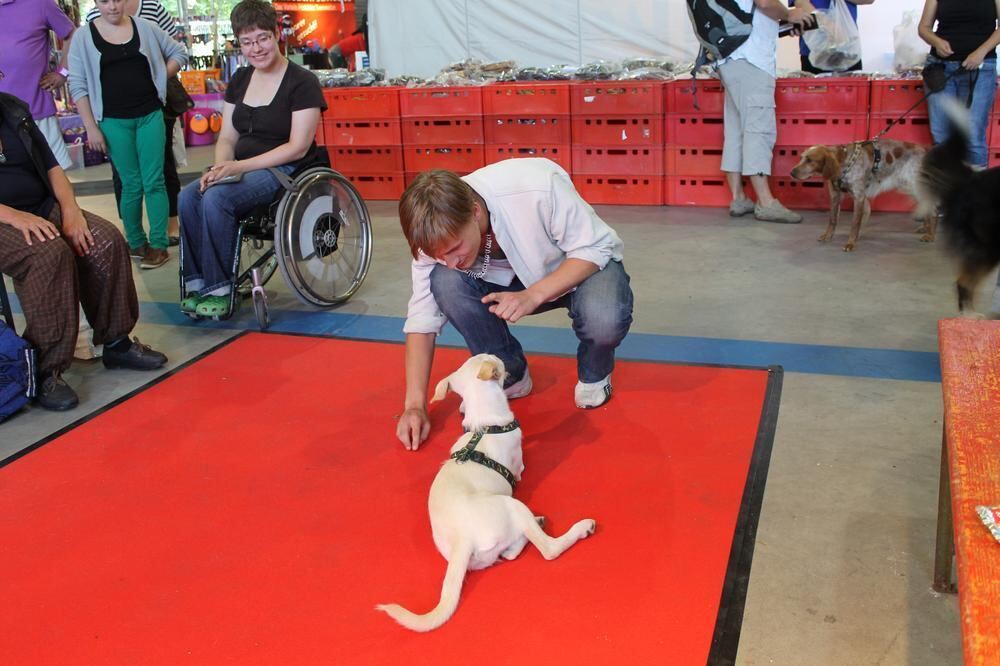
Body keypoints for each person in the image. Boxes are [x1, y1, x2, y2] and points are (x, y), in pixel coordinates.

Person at [394, 159, 634, 451]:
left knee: (604, 317)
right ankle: (510, 373)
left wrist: (534, 295)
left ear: (475, 211)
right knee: (444, 281)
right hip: (509, 284)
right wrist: (415, 405)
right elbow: (422, 317)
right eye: (439, 255)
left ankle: (596, 372)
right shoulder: (434, 239)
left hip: (580, 267)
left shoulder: (535, 187)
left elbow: (595, 247)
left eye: (456, 248)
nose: (450, 261)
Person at [0, 92, 168, 411]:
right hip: (5, 218)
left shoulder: (12, 109)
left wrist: (70, 210)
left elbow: (51, 168)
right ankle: (45, 369)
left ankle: (116, 342)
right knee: (48, 254)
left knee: (105, 240)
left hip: (39, 206)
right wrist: (13, 215)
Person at [177, 0, 326, 318]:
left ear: (276, 35)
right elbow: (228, 137)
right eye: (247, 42)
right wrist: (219, 167)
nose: (256, 48)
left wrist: (237, 167)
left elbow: (298, 146)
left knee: (217, 199)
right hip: (240, 167)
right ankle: (197, 282)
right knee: (190, 196)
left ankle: (220, 288)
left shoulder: (302, 82)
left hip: (285, 170)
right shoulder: (241, 79)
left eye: (262, 38)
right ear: (239, 44)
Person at [67, 0, 187, 270]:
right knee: (131, 182)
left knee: (154, 180)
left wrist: (158, 76)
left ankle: (158, 244)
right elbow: (78, 85)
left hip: (149, 115)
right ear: (96, 2)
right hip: (112, 120)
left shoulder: (145, 27)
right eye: (104, 1)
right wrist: (90, 127)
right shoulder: (84, 37)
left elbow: (179, 54)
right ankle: (135, 241)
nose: (112, 6)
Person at [721, 0, 816, 224]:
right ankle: (765, 202)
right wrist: (789, 14)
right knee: (758, 130)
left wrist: (781, 21)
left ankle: (738, 197)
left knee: (736, 129)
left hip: (729, 56)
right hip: (752, 58)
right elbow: (764, 2)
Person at [919, 0, 1000, 169]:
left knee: (973, 135)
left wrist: (981, 52)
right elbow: (924, 28)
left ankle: (978, 192)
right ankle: (945, 191)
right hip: (940, 68)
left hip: (981, 68)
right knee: (941, 135)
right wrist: (936, 41)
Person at [0, 0, 76, 171]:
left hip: (37, 110)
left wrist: (62, 73)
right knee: (11, 181)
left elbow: (72, 35)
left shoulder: (40, 3)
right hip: (2, 117)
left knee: (56, 177)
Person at [792, 0, 874, 74]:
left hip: (848, 49)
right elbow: (801, 3)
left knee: (851, 88)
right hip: (815, 50)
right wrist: (829, 25)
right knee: (817, 89)